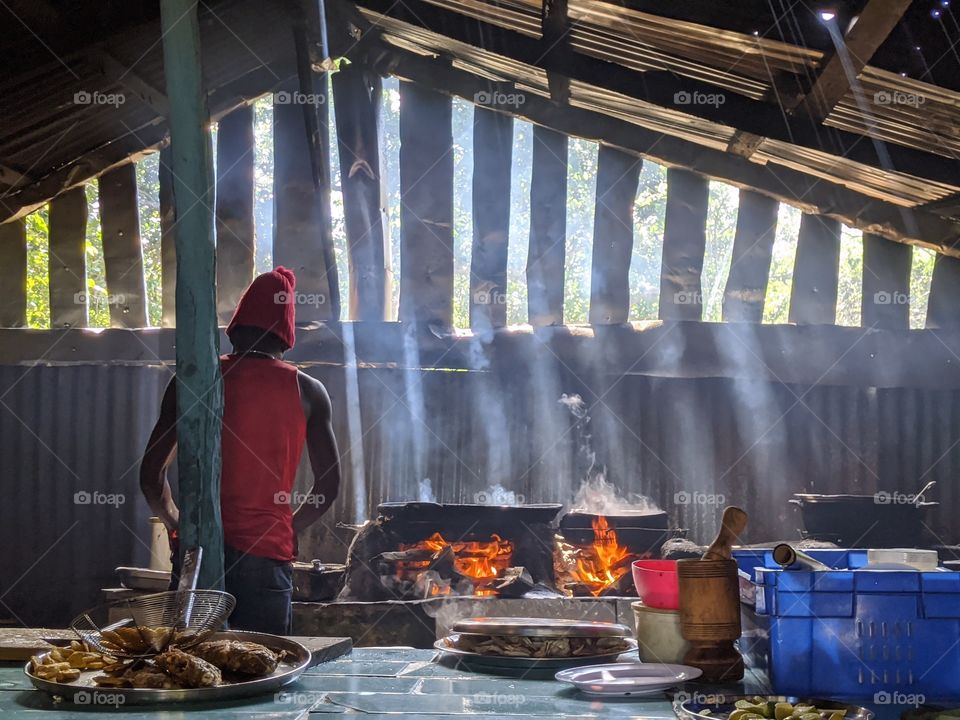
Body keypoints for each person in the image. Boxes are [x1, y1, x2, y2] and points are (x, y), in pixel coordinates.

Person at [140, 267, 341, 634]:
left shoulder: (193, 381)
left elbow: (151, 475)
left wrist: (176, 523)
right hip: (266, 556)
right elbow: (328, 488)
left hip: (197, 553)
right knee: (263, 665)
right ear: (287, 335)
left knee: (187, 667)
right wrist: (290, 527)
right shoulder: (309, 391)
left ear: (235, 328)